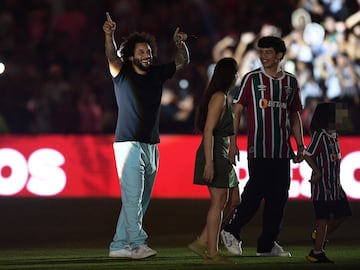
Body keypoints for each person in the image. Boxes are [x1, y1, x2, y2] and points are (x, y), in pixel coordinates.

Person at [103, 12, 190, 259]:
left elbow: (182, 61)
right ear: (130, 56)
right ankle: (138, 245)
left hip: (152, 144)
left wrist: (179, 44)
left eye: (148, 51)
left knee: (139, 201)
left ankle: (119, 245)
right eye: (141, 52)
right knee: (132, 199)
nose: (147, 55)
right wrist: (109, 35)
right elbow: (111, 55)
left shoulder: (157, 73)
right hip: (128, 144)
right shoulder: (122, 74)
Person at [220, 36, 305, 257]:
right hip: (258, 150)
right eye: (262, 52)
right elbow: (236, 111)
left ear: (279, 55)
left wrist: (301, 144)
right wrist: (232, 143)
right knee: (254, 195)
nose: (263, 56)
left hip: (282, 151)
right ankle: (231, 230)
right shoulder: (252, 79)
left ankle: (267, 244)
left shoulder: (291, 82)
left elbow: (294, 114)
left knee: (278, 199)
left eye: (268, 52)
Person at [188, 57, 240, 264]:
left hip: (223, 152)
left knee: (234, 200)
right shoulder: (219, 97)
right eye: (235, 73)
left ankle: (203, 241)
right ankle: (211, 253)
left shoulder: (223, 95)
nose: (237, 76)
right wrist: (209, 162)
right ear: (230, 75)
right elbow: (208, 130)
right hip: (215, 152)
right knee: (218, 202)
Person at [303, 102, 352, 263]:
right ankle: (316, 253)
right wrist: (317, 171)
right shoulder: (320, 136)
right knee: (322, 219)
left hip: (336, 187)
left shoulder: (334, 134)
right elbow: (307, 154)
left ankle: (318, 235)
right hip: (322, 187)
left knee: (344, 214)